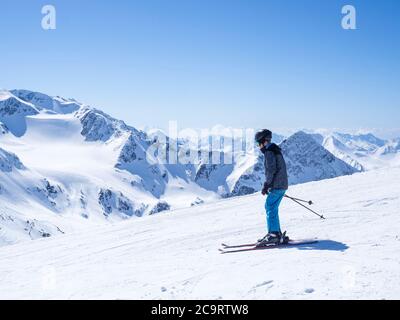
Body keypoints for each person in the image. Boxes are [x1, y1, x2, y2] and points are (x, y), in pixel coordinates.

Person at [255, 129, 289, 246]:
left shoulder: (269, 152)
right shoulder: (275, 150)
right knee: (272, 207)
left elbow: (271, 170)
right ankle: (276, 233)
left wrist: (267, 184)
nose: (258, 146)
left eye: (258, 143)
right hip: (281, 184)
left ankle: (273, 234)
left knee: (270, 206)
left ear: (264, 141)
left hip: (277, 185)